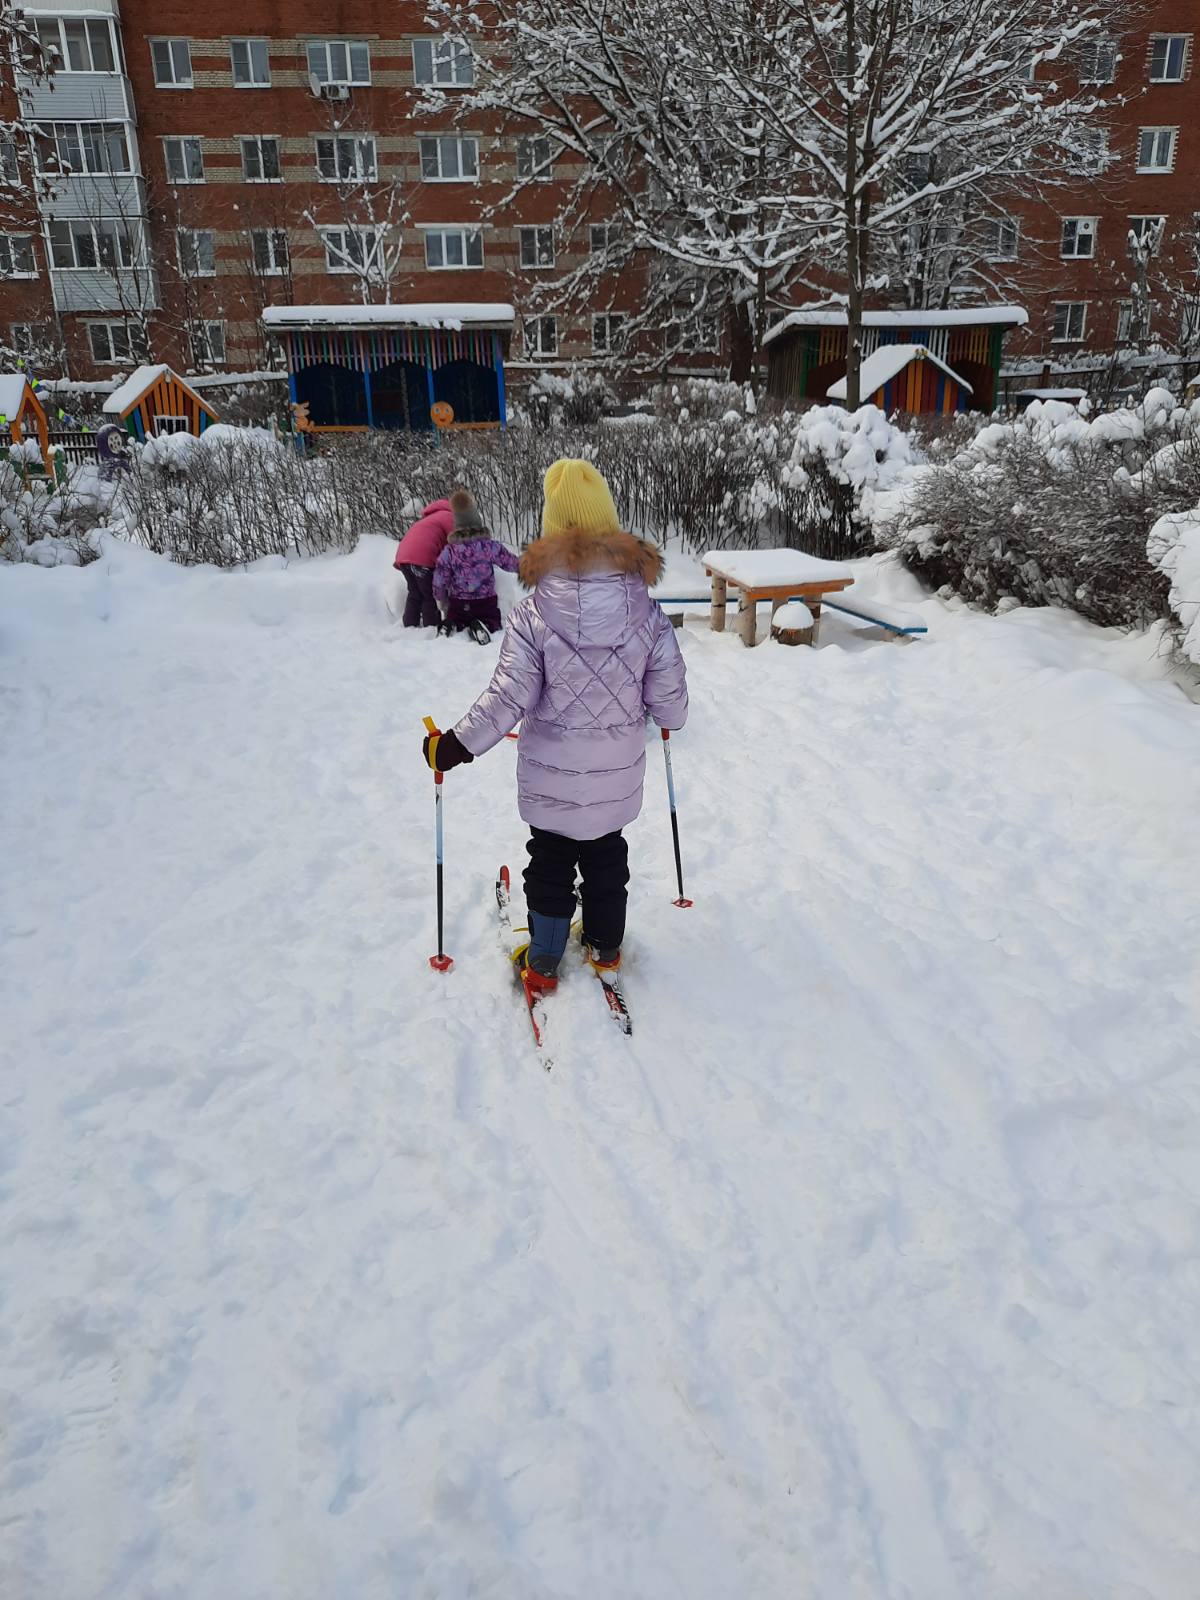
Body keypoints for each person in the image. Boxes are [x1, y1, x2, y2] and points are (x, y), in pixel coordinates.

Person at [422, 458, 688, 996]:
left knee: (550, 863)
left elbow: (508, 697)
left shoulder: (532, 616)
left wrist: (454, 745)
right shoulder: (648, 614)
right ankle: (606, 946)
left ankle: (544, 959)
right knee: (607, 858)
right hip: (616, 777)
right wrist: (668, 719)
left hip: (551, 780)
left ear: (551, 535)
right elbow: (672, 701)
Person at [432, 489, 520, 641]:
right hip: (485, 602)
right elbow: (510, 562)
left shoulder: (450, 551)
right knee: (493, 619)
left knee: (455, 617)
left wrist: (440, 597)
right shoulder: (488, 546)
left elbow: (439, 579)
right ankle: (483, 624)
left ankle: (450, 624)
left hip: (459, 604)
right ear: (477, 521)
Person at [393, 498, 454, 629]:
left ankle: (410, 624)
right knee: (429, 594)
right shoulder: (447, 516)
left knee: (414, 593)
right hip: (423, 559)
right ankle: (430, 626)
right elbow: (456, 540)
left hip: (403, 558)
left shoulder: (425, 520)